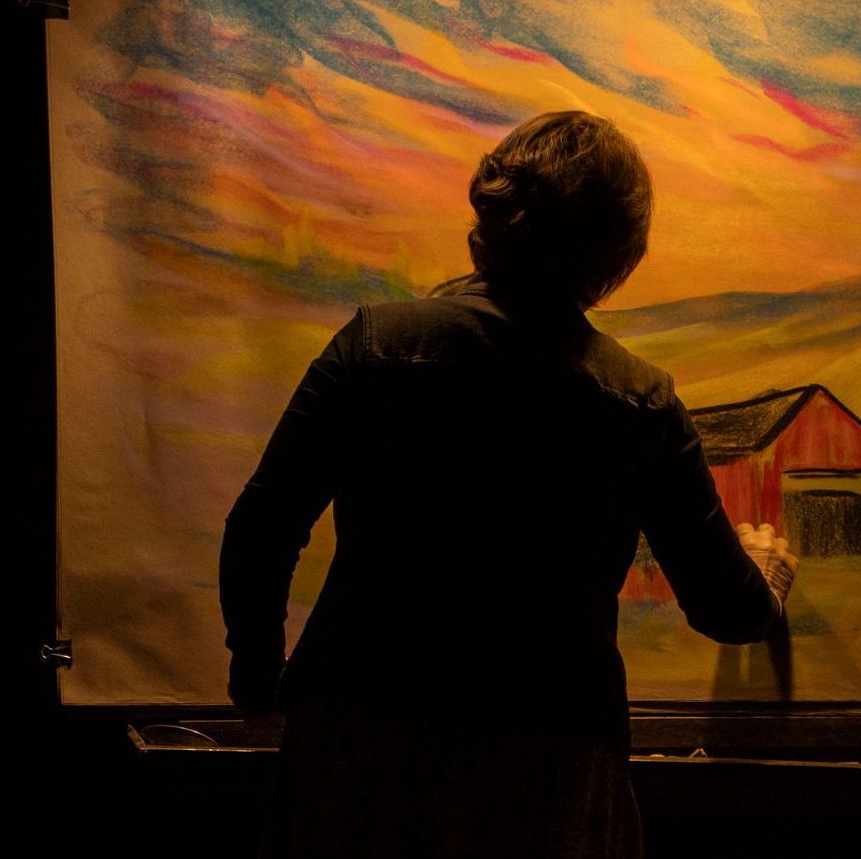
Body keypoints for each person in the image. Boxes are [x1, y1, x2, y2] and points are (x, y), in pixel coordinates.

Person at [219, 109, 800, 857]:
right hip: (550, 766)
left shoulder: (374, 345)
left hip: (357, 739)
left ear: (489, 219)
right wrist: (770, 573)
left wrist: (258, 674)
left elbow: (262, 527)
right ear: (618, 253)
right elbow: (728, 610)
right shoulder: (641, 402)